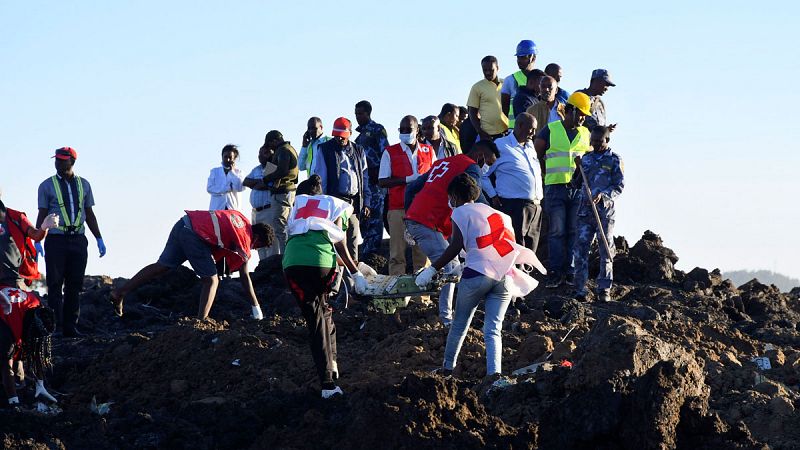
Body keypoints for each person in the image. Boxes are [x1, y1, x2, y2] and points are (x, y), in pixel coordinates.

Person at [415, 174, 544, 376]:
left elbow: (455, 246)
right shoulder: (501, 215)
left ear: (455, 196)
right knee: (493, 329)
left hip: (477, 275)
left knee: (459, 324)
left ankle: (447, 369)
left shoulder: (461, 212)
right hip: (505, 277)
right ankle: (494, 376)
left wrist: (433, 269)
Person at [282, 175, 370, 399]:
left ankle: (328, 374)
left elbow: (301, 242)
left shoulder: (296, 205)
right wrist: (355, 271)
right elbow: (339, 242)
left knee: (316, 320)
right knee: (324, 311)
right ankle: (329, 380)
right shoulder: (334, 204)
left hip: (293, 264)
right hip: (323, 266)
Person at [110, 210, 274, 321]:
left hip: (184, 224)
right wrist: (256, 307)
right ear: (257, 239)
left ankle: (120, 292)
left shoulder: (240, 218)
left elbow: (219, 237)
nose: (254, 249)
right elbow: (244, 276)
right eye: (258, 247)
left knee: (162, 266)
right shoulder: (245, 240)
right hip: (194, 235)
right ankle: (200, 322)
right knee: (211, 281)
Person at [405, 140, 498, 326]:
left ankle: (445, 311)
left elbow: (411, 188)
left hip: (420, 219)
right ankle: (447, 319)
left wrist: (408, 217)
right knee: (450, 268)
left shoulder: (443, 162)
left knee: (452, 265)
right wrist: (496, 217)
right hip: (428, 222)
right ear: (480, 155)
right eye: (489, 161)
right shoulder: (472, 167)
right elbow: (475, 195)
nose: (487, 167)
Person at [36, 147, 105, 337]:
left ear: (72, 162)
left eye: (62, 160)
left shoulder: (84, 185)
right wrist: (37, 239)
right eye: (56, 160)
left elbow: (89, 213)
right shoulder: (46, 185)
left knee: (75, 285)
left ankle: (70, 327)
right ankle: (55, 328)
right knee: (55, 284)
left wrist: (98, 237)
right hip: (56, 240)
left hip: (78, 240)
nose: (58, 163)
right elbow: (42, 212)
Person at [0, 199, 59, 405]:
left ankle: (37, 387)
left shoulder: (14, 217)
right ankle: (13, 400)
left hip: (18, 287)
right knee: (5, 345)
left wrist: (44, 227)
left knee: (37, 331)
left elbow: (35, 234)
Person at [533, 92, 592, 288]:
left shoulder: (585, 133)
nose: (583, 118)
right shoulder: (550, 130)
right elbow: (536, 154)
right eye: (581, 113)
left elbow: (589, 160)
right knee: (557, 231)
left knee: (574, 231)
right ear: (570, 110)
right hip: (555, 187)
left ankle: (570, 272)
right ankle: (556, 272)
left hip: (578, 190)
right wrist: (543, 176)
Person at [378, 115, 435, 275]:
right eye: (401, 130)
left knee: (422, 255)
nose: (404, 133)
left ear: (417, 130)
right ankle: (398, 295)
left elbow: (435, 176)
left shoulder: (428, 151)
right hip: (398, 208)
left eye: (408, 129)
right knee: (397, 254)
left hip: (422, 210)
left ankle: (422, 298)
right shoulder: (390, 152)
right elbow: (382, 181)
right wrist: (407, 180)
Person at [573, 125, 624, 302]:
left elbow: (619, 187)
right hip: (585, 213)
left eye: (598, 141)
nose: (594, 144)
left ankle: (604, 290)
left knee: (605, 250)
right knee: (580, 250)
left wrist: (603, 195)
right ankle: (580, 289)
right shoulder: (585, 159)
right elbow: (576, 183)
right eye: (592, 140)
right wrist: (577, 169)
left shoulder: (614, 160)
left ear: (607, 140)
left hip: (604, 213)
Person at [482, 113, 543, 253]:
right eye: (531, 129)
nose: (533, 133)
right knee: (515, 248)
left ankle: (527, 274)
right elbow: (484, 173)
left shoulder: (530, 146)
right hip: (514, 205)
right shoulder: (501, 145)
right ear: (520, 125)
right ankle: (513, 274)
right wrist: (493, 194)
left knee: (531, 249)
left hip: (535, 206)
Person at [312, 117, 370, 260]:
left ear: (350, 133)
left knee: (353, 243)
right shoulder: (325, 150)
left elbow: (365, 177)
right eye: (336, 136)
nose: (339, 139)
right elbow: (321, 180)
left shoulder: (358, 150)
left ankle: (354, 280)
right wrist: (324, 206)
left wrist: (366, 202)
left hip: (354, 204)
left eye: (342, 136)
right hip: (336, 203)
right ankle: (338, 280)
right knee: (337, 243)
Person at [353, 101, 389, 258]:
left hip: (375, 181)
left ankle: (373, 252)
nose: (358, 117)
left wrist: (380, 174)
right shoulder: (359, 137)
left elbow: (385, 154)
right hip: (364, 183)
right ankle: (367, 250)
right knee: (365, 218)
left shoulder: (377, 130)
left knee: (375, 217)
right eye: (356, 114)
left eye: (360, 113)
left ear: (368, 113)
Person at [261, 130, 299, 256]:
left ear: (274, 141)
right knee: (283, 227)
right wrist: (269, 159)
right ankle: (288, 256)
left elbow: (282, 170)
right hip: (285, 192)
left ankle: (286, 258)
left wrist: (267, 178)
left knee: (281, 228)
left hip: (282, 193)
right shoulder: (286, 149)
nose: (269, 148)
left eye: (269, 144)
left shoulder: (283, 150)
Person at [243, 145, 275, 261]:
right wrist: (258, 183)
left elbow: (266, 184)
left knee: (270, 241)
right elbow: (246, 182)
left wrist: (256, 184)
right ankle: (263, 265)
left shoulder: (273, 167)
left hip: (268, 210)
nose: (261, 156)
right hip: (256, 212)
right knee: (257, 240)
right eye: (260, 153)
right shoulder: (256, 169)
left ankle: (271, 266)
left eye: (265, 153)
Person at [467, 56, 508, 141]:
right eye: (485, 70)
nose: (488, 73)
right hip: (487, 135)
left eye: (491, 70)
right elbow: (472, 112)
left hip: (507, 133)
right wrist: (480, 132)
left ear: (497, 68)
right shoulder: (477, 87)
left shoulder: (506, 84)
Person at [501, 39, 538, 129]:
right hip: (515, 130)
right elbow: (504, 109)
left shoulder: (541, 79)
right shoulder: (510, 80)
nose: (519, 60)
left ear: (533, 58)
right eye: (518, 57)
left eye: (523, 57)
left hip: (536, 129)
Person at [207, 144, 245, 211]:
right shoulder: (215, 172)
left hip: (233, 210)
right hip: (217, 209)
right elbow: (210, 188)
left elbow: (240, 188)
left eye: (230, 157)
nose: (227, 160)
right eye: (225, 157)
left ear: (234, 159)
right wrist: (226, 188)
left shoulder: (239, 173)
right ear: (222, 157)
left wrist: (232, 172)